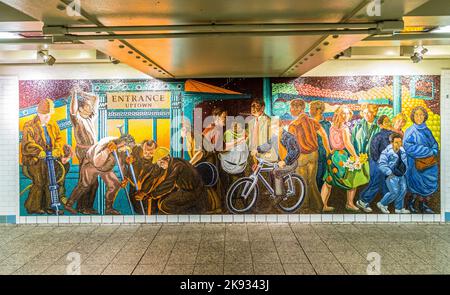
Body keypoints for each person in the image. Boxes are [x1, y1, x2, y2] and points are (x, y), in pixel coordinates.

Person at [64, 135, 134, 215]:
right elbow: (97, 162)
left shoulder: (121, 150)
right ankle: (69, 205)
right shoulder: (106, 142)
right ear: (122, 142)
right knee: (84, 185)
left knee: (115, 184)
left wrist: (124, 177)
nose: (125, 150)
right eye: (126, 147)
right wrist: (108, 150)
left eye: (128, 149)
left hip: (105, 167)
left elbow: (121, 164)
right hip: (91, 164)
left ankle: (108, 209)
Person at [321, 106, 369, 212]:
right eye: (344, 113)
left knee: (328, 181)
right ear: (338, 114)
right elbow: (347, 144)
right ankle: (349, 203)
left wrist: (331, 150)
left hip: (333, 156)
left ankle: (323, 205)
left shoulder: (332, 126)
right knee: (352, 179)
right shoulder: (344, 128)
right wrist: (356, 157)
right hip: (342, 156)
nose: (346, 116)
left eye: (347, 114)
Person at [134, 147, 209, 214]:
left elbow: (168, 184)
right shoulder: (173, 163)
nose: (160, 165)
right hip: (187, 190)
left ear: (167, 158)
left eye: (161, 163)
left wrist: (149, 195)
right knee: (161, 202)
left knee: (165, 205)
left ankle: (189, 212)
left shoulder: (177, 166)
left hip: (193, 192)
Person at [21, 98, 64, 215]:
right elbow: (27, 144)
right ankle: (33, 207)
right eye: (44, 115)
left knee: (51, 182)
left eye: (49, 115)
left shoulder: (53, 125)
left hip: (50, 159)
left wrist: (57, 150)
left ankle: (49, 206)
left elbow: (59, 140)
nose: (47, 117)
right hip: (34, 160)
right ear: (38, 113)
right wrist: (39, 151)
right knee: (39, 182)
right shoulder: (29, 125)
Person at [288, 99, 331, 213]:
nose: (290, 110)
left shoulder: (293, 125)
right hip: (314, 154)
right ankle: (318, 206)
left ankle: (304, 206)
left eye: (291, 108)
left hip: (302, 156)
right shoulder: (312, 121)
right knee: (312, 181)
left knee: (302, 181)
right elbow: (323, 135)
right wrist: (327, 150)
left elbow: (292, 145)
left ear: (298, 109)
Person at [69, 87, 100, 215]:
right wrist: (75, 94)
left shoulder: (90, 119)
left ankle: (86, 207)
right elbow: (72, 111)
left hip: (93, 152)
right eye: (87, 106)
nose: (90, 107)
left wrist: (83, 93)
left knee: (94, 183)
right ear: (81, 109)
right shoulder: (78, 120)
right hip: (84, 152)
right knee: (86, 181)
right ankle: (82, 207)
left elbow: (96, 99)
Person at [403, 106, 439, 214]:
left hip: (429, 164)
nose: (419, 117)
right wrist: (428, 151)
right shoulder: (410, 130)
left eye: (421, 114)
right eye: (416, 114)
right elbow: (408, 147)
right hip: (415, 164)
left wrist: (434, 150)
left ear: (425, 116)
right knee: (416, 184)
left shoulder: (427, 130)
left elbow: (434, 144)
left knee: (428, 184)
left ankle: (423, 205)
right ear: (413, 116)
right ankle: (411, 204)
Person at [257, 119, 300, 202]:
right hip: (282, 162)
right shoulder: (274, 137)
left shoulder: (288, 137)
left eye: (277, 127)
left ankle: (280, 195)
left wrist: (285, 161)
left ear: (282, 126)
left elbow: (295, 151)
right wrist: (257, 149)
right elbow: (267, 145)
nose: (274, 130)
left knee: (277, 172)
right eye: (273, 128)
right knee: (271, 170)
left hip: (291, 162)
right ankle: (275, 190)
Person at [356, 115, 393, 212]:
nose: (388, 123)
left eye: (389, 121)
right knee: (376, 183)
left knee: (386, 184)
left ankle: (383, 204)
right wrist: (380, 163)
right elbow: (374, 151)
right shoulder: (378, 136)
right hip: (377, 164)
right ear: (380, 125)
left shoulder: (392, 135)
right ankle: (363, 201)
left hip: (387, 164)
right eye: (385, 122)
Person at [122, 139, 158, 214]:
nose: (148, 154)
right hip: (134, 191)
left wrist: (144, 193)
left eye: (151, 152)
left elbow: (155, 181)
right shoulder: (137, 156)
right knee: (138, 209)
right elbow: (130, 171)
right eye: (146, 151)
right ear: (142, 149)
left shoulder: (157, 163)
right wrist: (125, 180)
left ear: (155, 150)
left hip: (149, 193)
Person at [377, 133, 410, 214]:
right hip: (392, 175)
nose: (399, 144)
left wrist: (405, 170)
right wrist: (389, 172)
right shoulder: (386, 152)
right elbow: (381, 164)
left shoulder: (402, 150)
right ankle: (382, 204)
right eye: (396, 142)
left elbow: (405, 162)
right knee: (394, 192)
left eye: (400, 142)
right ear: (391, 143)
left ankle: (399, 208)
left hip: (401, 174)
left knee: (403, 190)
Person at [309, 100, 331, 191]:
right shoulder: (309, 123)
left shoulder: (327, 124)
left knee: (323, 177)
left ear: (318, 110)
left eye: (311, 109)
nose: (309, 111)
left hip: (324, 155)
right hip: (313, 155)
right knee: (314, 177)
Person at [247, 99, 273, 171]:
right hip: (252, 156)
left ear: (262, 108)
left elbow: (272, 140)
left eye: (257, 106)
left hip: (264, 157)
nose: (253, 108)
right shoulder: (251, 122)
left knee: (263, 179)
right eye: (252, 106)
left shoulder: (269, 121)